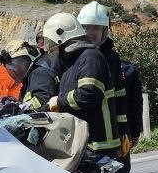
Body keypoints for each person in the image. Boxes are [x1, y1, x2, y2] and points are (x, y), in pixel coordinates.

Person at [48, 12, 121, 160]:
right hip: (84, 141)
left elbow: (89, 94)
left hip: (98, 144)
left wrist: (59, 101)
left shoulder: (90, 58)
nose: (54, 49)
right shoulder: (74, 61)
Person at [77, 1, 128, 151]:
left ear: (104, 30)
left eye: (95, 28)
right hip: (80, 134)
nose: (90, 32)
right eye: (86, 27)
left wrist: (124, 131)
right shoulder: (73, 58)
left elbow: (120, 97)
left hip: (109, 137)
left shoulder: (112, 58)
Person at [116, 60, 145, 173]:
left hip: (121, 134)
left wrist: (135, 132)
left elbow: (135, 104)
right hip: (120, 133)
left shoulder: (127, 70)